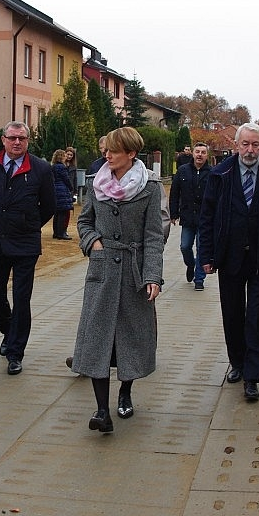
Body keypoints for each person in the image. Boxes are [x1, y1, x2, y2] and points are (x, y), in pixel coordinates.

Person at [71, 127, 166, 434]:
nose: (107, 155)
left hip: (134, 272)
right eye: (106, 150)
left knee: (130, 338)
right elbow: (84, 221)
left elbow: (153, 236)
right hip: (102, 272)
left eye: (113, 151)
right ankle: (101, 411)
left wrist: (153, 276)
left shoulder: (151, 188)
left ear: (131, 154)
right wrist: (93, 242)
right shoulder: (96, 183)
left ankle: (125, 392)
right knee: (97, 337)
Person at [198, 123, 259, 403]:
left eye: (255, 145)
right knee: (233, 313)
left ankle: (253, 376)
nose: (249, 150)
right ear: (236, 145)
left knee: (257, 315)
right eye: (245, 144)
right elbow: (207, 219)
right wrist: (206, 256)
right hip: (230, 257)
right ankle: (237, 363)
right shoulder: (220, 174)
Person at [0, 121, 56, 375]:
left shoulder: (41, 168)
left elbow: (48, 206)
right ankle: (9, 331)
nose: (17, 143)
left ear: (27, 141)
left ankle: (15, 352)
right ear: (3, 140)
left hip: (25, 244)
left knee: (21, 299)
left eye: (22, 138)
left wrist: (27, 224)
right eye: (12, 138)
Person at [170, 142, 212, 291]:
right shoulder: (182, 171)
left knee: (202, 248)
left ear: (207, 155)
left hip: (205, 218)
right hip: (187, 216)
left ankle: (199, 279)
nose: (200, 154)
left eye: (203, 152)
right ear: (193, 154)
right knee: (185, 246)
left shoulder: (213, 173)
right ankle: (191, 264)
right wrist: (173, 213)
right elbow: (175, 193)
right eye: (197, 152)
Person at [51, 149, 74, 240]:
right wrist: (71, 188)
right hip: (62, 191)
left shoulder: (53, 167)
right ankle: (61, 233)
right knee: (63, 213)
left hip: (55, 190)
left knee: (57, 213)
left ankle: (56, 232)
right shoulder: (62, 167)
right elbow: (66, 179)